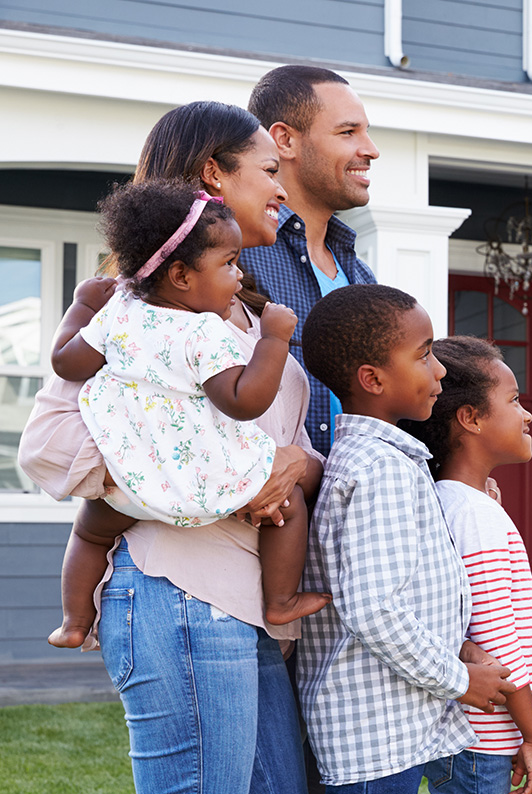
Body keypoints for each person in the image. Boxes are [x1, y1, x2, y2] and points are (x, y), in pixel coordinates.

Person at [18, 100, 321, 794]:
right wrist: (212, 480)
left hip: (244, 609)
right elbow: (49, 450)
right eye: (269, 171)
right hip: (179, 598)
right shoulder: (128, 313)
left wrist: (291, 470)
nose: (283, 188)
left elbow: (287, 445)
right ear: (214, 175)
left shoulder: (244, 314)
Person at [46, 180, 330, 650]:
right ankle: (280, 600)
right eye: (229, 264)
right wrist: (274, 340)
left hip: (134, 476)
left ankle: (75, 621)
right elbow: (243, 400)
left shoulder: (119, 312)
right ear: (180, 276)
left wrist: (81, 305)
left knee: (89, 532)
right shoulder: (203, 330)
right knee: (287, 506)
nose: (238, 277)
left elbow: (66, 363)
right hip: (207, 480)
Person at [297, 284, 518, 794]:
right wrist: (460, 679)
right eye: (423, 355)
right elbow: (374, 608)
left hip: (386, 722)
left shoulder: (383, 459)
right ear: (372, 379)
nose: (439, 371)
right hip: (375, 731)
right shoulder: (382, 470)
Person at [403, 336, 532, 794]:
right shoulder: (474, 514)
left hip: (469, 731)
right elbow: (496, 639)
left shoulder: (449, 502)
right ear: (470, 418)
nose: (526, 414)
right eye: (513, 401)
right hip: (483, 734)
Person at [240, 64, 380, 457]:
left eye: (366, 132)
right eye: (348, 132)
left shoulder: (362, 277)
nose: (370, 149)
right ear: (284, 141)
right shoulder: (234, 258)